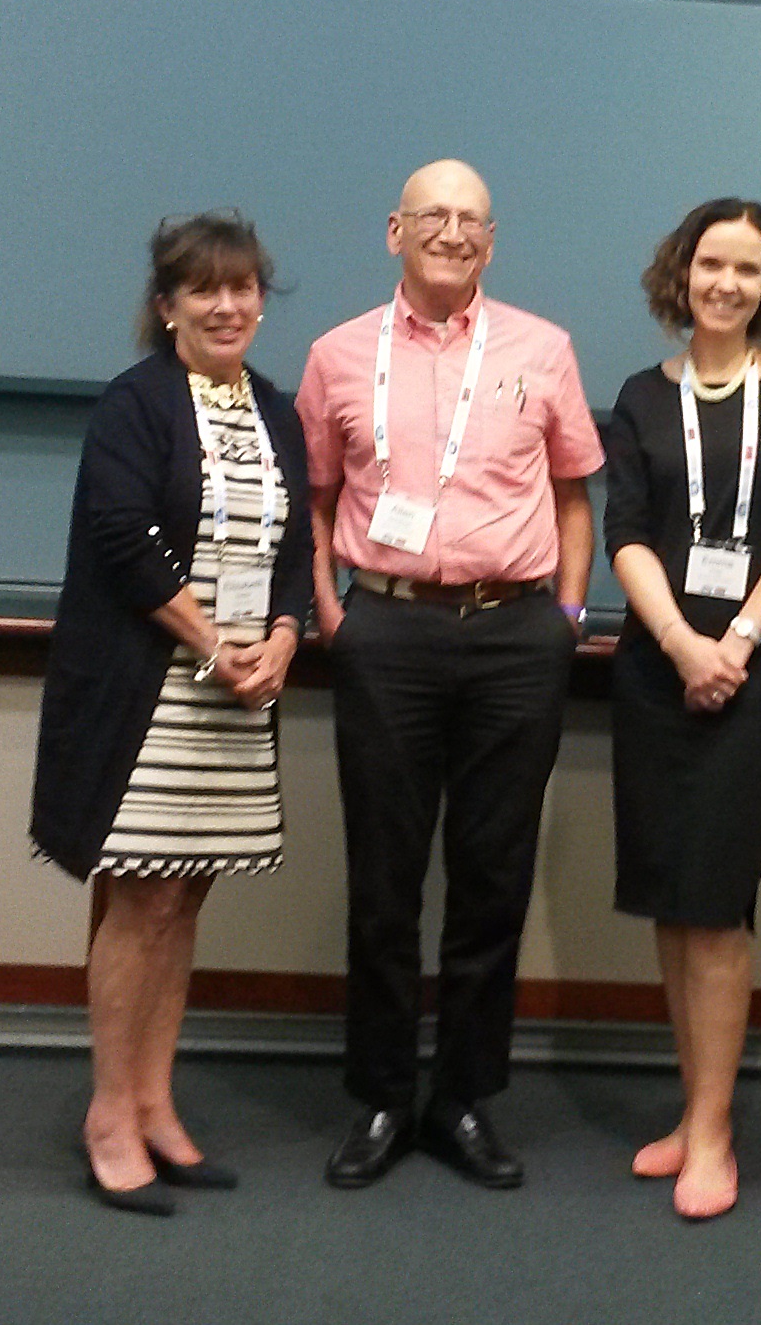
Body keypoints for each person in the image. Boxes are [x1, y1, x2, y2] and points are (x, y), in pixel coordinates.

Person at [296, 159, 603, 1191]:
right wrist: (331, 610)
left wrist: (565, 615)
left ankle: (464, 1099)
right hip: (386, 631)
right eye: (434, 214)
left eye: (472, 219)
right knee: (384, 883)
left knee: (491, 880)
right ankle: (382, 1098)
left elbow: (572, 496)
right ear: (395, 229)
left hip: (516, 638)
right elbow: (318, 498)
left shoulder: (543, 350)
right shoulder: (338, 356)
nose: (453, 232)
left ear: (492, 239)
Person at [28, 211, 312, 1214]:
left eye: (244, 289)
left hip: (236, 695)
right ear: (168, 306)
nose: (228, 305)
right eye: (205, 290)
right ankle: (109, 1111)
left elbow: (294, 550)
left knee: (185, 897)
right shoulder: (136, 403)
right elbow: (125, 540)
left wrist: (283, 637)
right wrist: (214, 645)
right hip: (149, 695)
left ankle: (154, 1102)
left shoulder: (276, 410)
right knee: (138, 895)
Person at [602, 199, 761, 1221]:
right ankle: (693, 1110)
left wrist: (734, 642)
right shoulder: (639, 397)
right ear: (681, 274)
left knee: (719, 903)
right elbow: (625, 532)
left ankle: (714, 1130)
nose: (726, 284)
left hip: (746, 680)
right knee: (669, 895)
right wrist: (681, 644)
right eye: (711, 265)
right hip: (659, 678)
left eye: (747, 269)